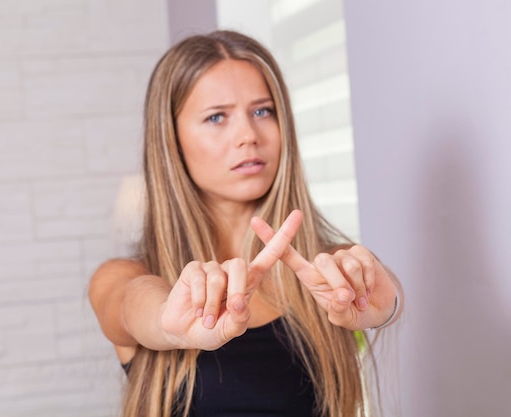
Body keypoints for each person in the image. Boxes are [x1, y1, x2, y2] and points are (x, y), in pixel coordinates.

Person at [89, 30, 402, 417]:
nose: (248, 136)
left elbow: (380, 293)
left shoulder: (325, 269)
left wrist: (385, 306)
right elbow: (133, 305)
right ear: (172, 140)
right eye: (216, 117)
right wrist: (171, 324)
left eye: (262, 111)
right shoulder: (121, 276)